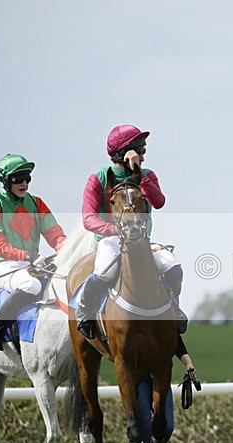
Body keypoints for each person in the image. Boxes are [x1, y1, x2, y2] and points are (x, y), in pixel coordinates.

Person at [76, 124, 189, 340]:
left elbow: (159, 201)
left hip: (143, 241)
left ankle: (173, 306)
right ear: (121, 154)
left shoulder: (147, 175)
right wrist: (115, 230)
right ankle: (84, 310)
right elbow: (88, 219)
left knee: (173, 267)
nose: (143, 157)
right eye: (140, 151)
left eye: (144, 151)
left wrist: (139, 174)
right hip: (110, 242)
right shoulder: (98, 179)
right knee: (104, 271)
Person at [0, 154, 66, 350]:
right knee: (32, 285)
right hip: (7, 266)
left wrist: (68, 251)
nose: (24, 183)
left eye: (27, 178)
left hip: (34, 263)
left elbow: (54, 233)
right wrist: (27, 256)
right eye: (19, 178)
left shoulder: (36, 203)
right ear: (7, 181)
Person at [135, 342, 197, 443]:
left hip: (161, 379)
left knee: (168, 426)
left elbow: (176, 341)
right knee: (145, 424)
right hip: (139, 379)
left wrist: (188, 363)